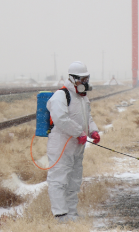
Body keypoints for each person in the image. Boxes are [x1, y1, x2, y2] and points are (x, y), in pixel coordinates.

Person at [46, 61, 100, 222]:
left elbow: (87, 117)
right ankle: (60, 215)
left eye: (86, 78)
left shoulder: (82, 98)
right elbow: (60, 119)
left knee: (74, 180)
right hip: (61, 145)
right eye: (82, 79)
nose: (85, 82)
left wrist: (93, 130)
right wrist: (78, 132)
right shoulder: (61, 95)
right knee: (59, 179)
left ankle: (71, 213)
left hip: (77, 145)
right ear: (72, 78)